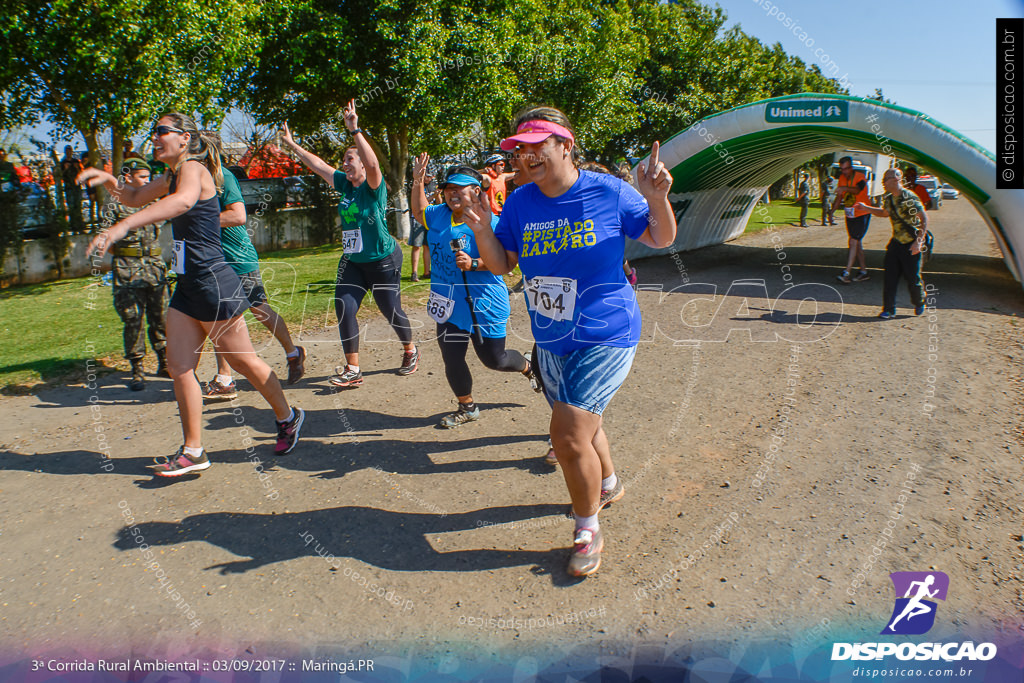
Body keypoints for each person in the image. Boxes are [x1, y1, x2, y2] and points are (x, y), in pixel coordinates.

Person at [464, 106, 677, 577]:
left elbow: (660, 237)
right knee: (584, 426)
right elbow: (503, 265)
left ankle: (587, 529)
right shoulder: (520, 203)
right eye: (519, 149)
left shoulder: (610, 192)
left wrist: (656, 197)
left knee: (565, 433)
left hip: (607, 331)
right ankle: (608, 483)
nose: (526, 155)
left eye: (537, 144)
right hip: (551, 335)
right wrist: (481, 229)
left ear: (566, 144)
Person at [82, 112, 304, 476]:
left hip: (214, 282)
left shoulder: (193, 171)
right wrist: (110, 181)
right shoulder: (171, 175)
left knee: (245, 363)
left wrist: (121, 227)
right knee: (179, 366)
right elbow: (136, 196)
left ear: (184, 138)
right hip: (188, 283)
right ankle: (194, 450)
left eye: (161, 131)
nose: (154, 137)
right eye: (153, 131)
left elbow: (183, 203)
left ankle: (288, 416)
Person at [280, 99, 418, 387]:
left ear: (363, 166)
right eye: (344, 160)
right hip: (353, 261)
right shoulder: (344, 184)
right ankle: (353, 369)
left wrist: (355, 130)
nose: (344, 164)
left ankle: (410, 349)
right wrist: (292, 146)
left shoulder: (373, 187)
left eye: (349, 160)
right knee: (344, 306)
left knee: (391, 311)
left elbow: (373, 163)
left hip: (382, 259)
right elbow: (317, 165)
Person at [410, 159, 540, 427]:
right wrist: (416, 181)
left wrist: (474, 264)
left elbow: (506, 262)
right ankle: (467, 406)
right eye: (448, 189)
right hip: (449, 303)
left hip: (484, 302)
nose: (452, 193)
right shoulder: (439, 214)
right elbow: (418, 210)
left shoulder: (494, 221)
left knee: (495, 360)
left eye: (459, 188)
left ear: (477, 191)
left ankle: (528, 366)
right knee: (451, 357)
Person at [202, 160, 306, 401]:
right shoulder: (199, 180)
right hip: (216, 262)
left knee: (259, 309)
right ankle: (225, 379)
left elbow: (237, 216)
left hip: (238, 259)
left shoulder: (223, 177)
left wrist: (201, 219)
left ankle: (293, 353)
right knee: (219, 317)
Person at [109, 158, 169, 391]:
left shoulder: (154, 201)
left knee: (161, 316)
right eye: (143, 177)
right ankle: (137, 369)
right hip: (127, 268)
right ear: (127, 178)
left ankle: (164, 363)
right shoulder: (114, 204)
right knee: (133, 318)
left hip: (154, 267)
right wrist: (128, 256)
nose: (147, 181)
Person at [853, 168, 928, 319]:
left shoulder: (909, 198)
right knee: (890, 277)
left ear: (895, 179)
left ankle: (919, 301)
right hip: (896, 244)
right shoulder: (889, 199)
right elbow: (884, 213)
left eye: (885, 179)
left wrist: (918, 243)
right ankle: (889, 309)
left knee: (913, 279)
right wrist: (866, 208)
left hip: (910, 244)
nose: (883, 183)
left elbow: (924, 219)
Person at [832, 156, 871, 283]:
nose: (845, 172)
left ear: (851, 167)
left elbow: (857, 190)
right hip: (850, 214)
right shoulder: (842, 179)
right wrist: (832, 211)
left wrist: (844, 188)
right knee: (857, 242)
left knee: (853, 241)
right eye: (842, 169)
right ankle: (864, 271)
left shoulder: (860, 177)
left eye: (847, 168)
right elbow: (839, 197)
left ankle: (846, 273)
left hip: (862, 213)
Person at [407, 172, 433, 282]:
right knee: (417, 246)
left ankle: (427, 272)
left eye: (431, 176)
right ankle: (414, 273)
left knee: (427, 246)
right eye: (427, 176)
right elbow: (420, 202)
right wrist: (433, 196)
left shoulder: (433, 185)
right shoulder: (417, 184)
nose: (429, 178)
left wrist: (437, 196)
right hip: (418, 218)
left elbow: (439, 202)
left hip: (430, 218)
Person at [59, 146, 84, 230]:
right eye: (67, 151)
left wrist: (77, 168)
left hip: (77, 186)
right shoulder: (63, 163)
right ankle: (73, 225)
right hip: (69, 186)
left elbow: (81, 174)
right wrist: (65, 169)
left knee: (78, 205)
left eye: (70, 151)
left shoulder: (75, 161)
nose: (69, 152)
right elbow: (60, 176)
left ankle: (80, 224)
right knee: (71, 206)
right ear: (65, 152)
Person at [0, 148, 20, 243]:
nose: (1, 157)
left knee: (12, 215)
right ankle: (4, 236)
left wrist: (16, 186)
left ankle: (14, 234)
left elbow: (15, 178)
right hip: (1, 196)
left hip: (10, 194)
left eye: (2, 155)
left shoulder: (9, 165)